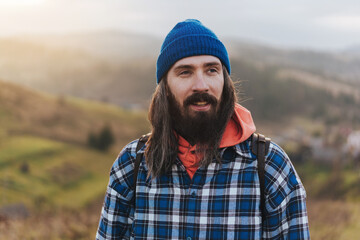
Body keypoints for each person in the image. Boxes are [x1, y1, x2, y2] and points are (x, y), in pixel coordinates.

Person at [96, 19, 310, 240]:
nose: (201, 85)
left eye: (211, 70)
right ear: (165, 89)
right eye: (185, 72)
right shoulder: (132, 165)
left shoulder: (271, 167)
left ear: (225, 82)